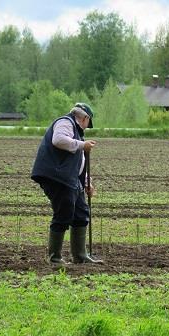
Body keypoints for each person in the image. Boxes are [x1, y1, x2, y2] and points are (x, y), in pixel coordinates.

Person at [31, 103, 103, 265]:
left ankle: (80, 256)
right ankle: (55, 258)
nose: (86, 128)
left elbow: (80, 162)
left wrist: (87, 183)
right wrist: (81, 145)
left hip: (69, 178)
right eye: (87, 123)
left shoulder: (77, 134)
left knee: (81, 212)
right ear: (85, 118)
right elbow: (58, 140)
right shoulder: (65, 122)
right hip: (56, 176)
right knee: (64, 213)